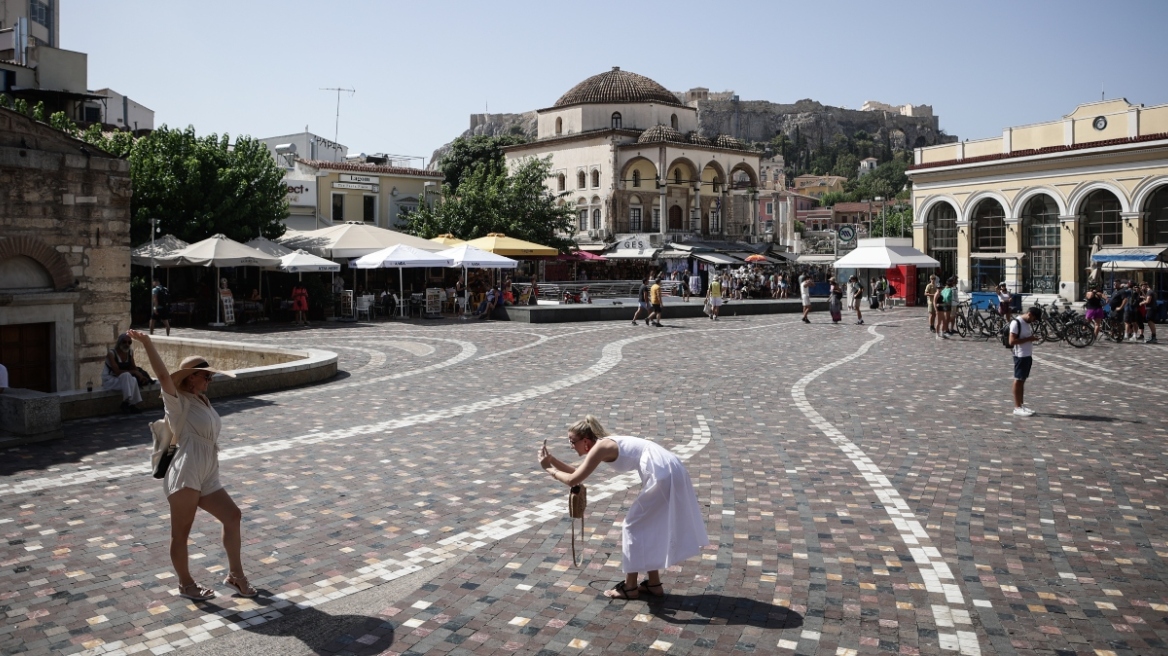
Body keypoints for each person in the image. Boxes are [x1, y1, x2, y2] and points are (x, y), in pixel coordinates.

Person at [127, 330, 256, 601]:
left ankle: (236, 576)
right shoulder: (176, 401)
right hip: (186, 469)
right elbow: (163, 377)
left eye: (211, 375)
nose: (210, 379)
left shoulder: (202, 399)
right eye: (206, 375)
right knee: (181, 533)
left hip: (208, 468)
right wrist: (147, 343)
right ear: (190, 377)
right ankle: (186, 585)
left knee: (233, 516)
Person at [538, 415, 709, 600]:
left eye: (572, 441)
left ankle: (630, 587)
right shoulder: (602, 445)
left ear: (585, 441)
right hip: (668, 468)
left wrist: (548, 469)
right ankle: (653, 584)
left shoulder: (602, 447)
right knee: (647, 526)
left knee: (632, 527)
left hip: (662, 472)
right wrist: (552, 460)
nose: (571, 446)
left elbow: (573, 479)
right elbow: (577, 472)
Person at [1008, 306, 1042, 417]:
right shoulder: (1016, 323)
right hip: (1020, 356)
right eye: (1035, 319)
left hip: (1027, 355)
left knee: (1022, 380)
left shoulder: (1026, 323)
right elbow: (1011, 341)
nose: (1034, 321)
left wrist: (1032, 338)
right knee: (1018, 380)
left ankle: (1021, 405)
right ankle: (1017, 407)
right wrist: (1029, 339)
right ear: (1030, 314)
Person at [102, 333, 149, 413]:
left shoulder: (129, 353)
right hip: (111, 380)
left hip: (123, 381)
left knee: (133, 379)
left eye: (129, 342)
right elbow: (117, 372)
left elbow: (133, 367)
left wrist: (140, 375)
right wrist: (134, 372)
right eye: (124, 342)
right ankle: (126, 402)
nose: (127, 344)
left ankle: (131, 404)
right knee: (126, 375)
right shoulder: (112, 354)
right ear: (119, 342)